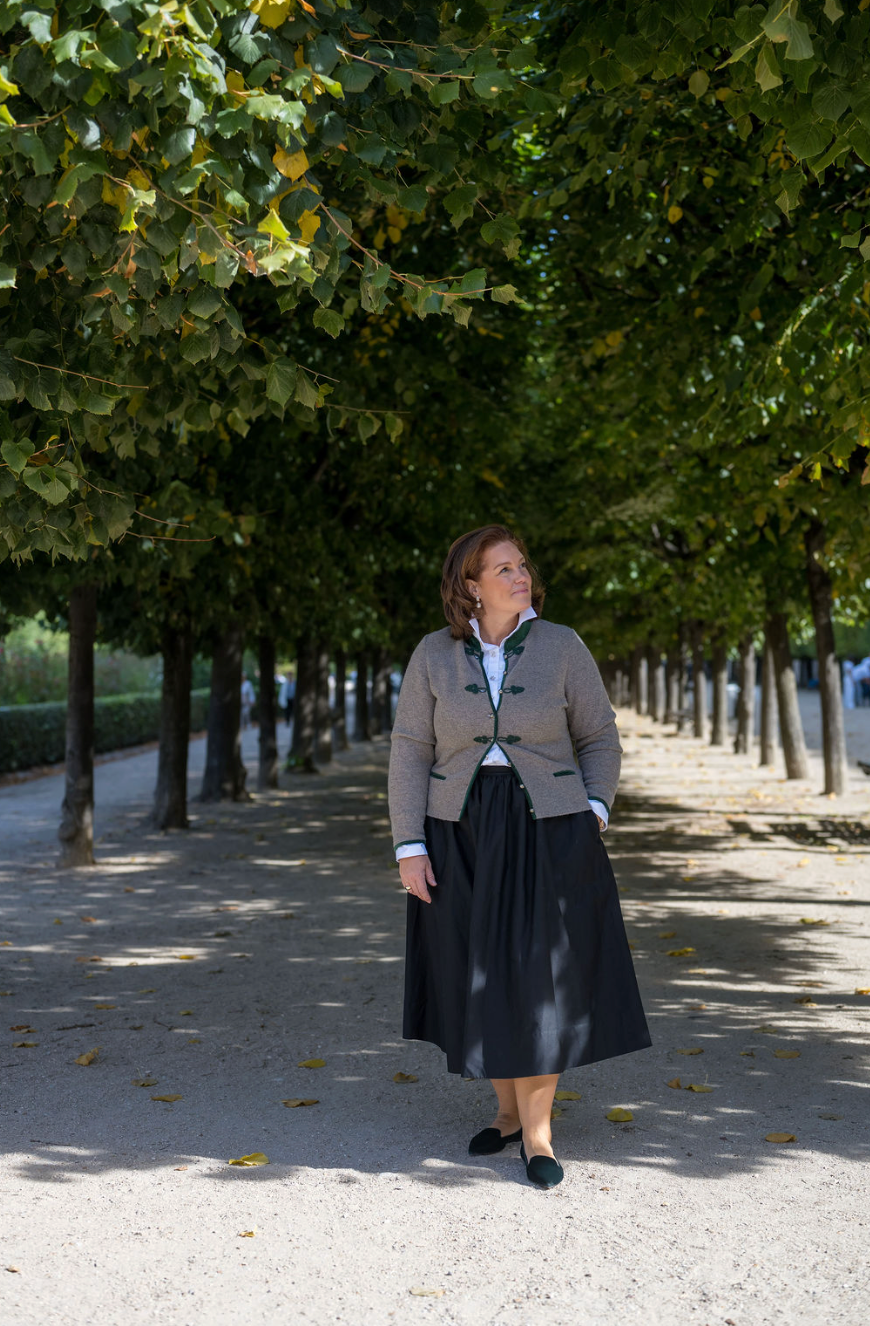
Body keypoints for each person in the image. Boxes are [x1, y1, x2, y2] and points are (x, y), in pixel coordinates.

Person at [388, 525, 651, 1190]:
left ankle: (538, 1132)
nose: (519, 575)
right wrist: (410, 845)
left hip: (548, 828)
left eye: (522, 565)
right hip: (460, 831)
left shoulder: (563, 647)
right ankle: (506, 1111)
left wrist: (593, 810)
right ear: (469, 586)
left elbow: (599, 737)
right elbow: (411, 750)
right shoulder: (432, 656)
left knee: (540, 979)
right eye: (502, 568)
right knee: (479, 970)